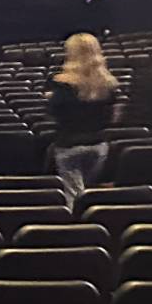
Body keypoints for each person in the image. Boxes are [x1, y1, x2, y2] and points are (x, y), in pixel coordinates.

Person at [46, 33, 118, 199]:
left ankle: (78, 222)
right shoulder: (109, 84)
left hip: (69, 145)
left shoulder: (62, 84)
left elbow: (52, 114)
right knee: (89, 191)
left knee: (73, 194)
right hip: (99, 145)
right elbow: (111, 118)